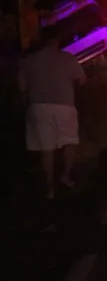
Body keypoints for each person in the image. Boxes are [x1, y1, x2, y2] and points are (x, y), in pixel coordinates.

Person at [17, 26, 86, 199]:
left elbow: (22, 89)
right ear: (57, 39)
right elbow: (81, 81)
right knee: (70, 141)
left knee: (46, 149)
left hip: (38, 107)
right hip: (65, 105)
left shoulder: (28, 61)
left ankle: (49, 189)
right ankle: (65, 176)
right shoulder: (68, 59)